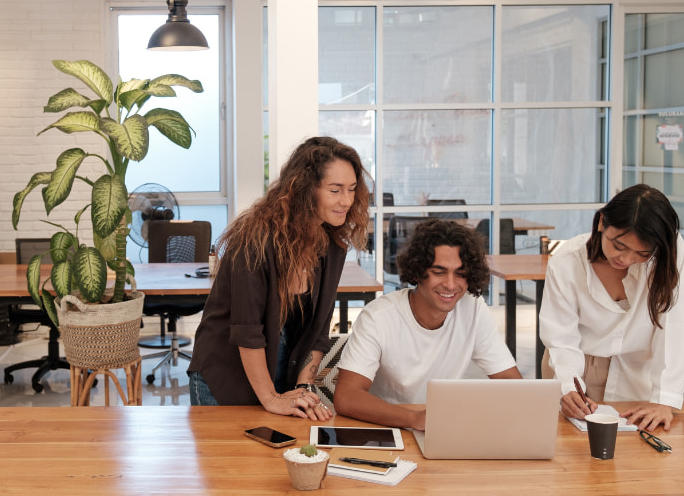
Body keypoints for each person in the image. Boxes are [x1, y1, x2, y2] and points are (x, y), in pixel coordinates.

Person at [187, 136, 371, 421]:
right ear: (306, 189)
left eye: (351, 189)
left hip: (280, 379)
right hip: (225, 380)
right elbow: (247, 332)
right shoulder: (256, 239)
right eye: (335, 190)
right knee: (229, 465)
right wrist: (270, 398)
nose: (346, 201)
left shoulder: (331, 247)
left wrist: (304, 388)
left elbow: (318, 333)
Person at [334, 219, 521, 431]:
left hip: (442, 427)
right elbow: (347, 397)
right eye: (439, 272)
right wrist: (415, 419)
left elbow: (510, 382)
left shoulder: (473, 308)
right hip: (387, 429)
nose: (451, 284)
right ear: (417, 271)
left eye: (460, 273)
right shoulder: (378, 317)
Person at [539, 184, 684, 431]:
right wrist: (567, 387)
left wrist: (664, 400)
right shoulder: (566, 263)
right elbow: (561, 340)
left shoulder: (666, 251)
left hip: (636, 371)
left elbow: (671, 326)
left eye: (641, 253)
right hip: (578, 368)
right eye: (619, 246)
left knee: (636, 459)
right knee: (573, 456)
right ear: (601, 222)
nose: (626, 259)